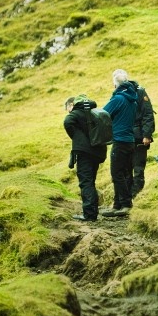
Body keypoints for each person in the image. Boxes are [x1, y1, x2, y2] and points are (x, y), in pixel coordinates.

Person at [64, 94, 107, 222]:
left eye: (67, 108)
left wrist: (77, 137)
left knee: (85, 182)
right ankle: (92, 212)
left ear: (72, 105)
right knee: (90, 180)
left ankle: (89, 215)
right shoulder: (94, 111)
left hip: (85, 153)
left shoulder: (76, 113)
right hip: (98, 151)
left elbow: (67, 122)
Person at [102, 69, 139, 216]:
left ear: (116, 85)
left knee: (116, 174)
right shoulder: (133, 100)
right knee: (124, 173)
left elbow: (103, 114)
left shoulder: (118, 99)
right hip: (130, 141)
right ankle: (117, 205)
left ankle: (125, 204)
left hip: (119, 140)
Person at [128, 79, 156, 198]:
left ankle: (136, 195)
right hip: (127, 137)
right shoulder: (121, 94)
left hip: (139, 137)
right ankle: (128, 195)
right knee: (126, 167)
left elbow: (148, 114)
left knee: (138, 167)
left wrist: (146, 135)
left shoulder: (139, 92)